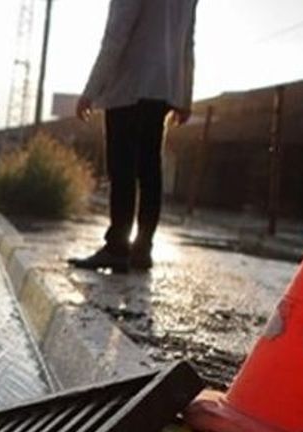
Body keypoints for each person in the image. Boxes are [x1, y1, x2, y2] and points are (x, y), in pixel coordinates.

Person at [68, 0, 198, 273]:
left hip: (129, 84)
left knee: (122, 169)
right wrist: (185, 96)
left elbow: (116, 35)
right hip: (164, 87)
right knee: (150, 169)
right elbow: (187, 41)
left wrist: (91, 90)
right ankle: (142, 249)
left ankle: (117, 247)